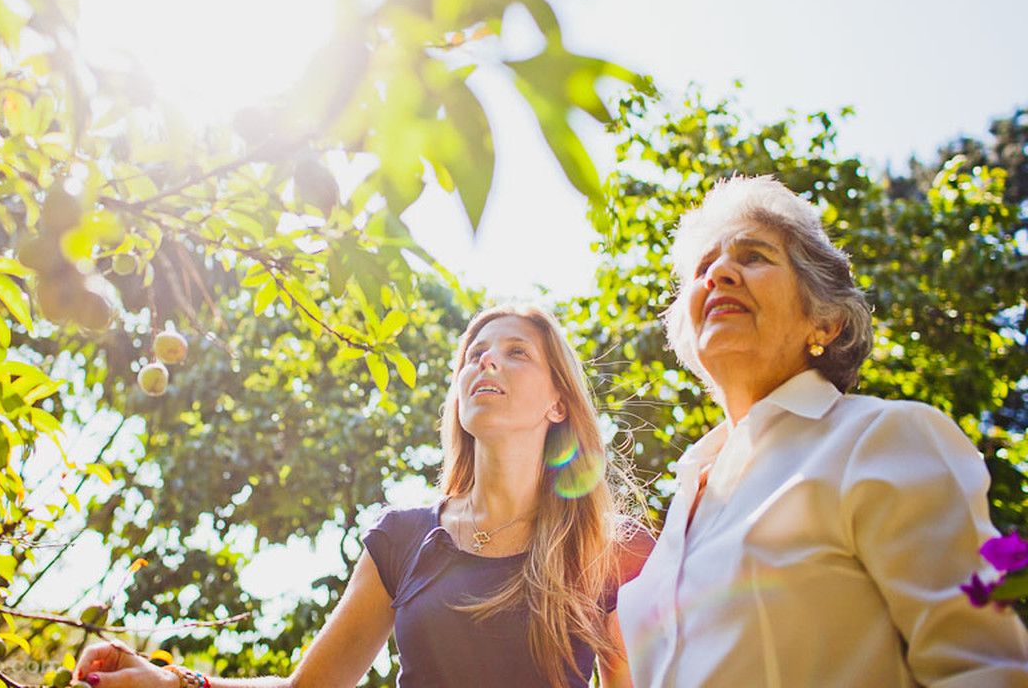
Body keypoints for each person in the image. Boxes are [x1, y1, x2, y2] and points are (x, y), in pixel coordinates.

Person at [76, 304, 653, 688]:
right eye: (475, 351)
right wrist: (173, 680)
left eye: (516, 351)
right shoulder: (401, 538)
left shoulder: (608, 550)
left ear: (559, 403)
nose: (486, 359)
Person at [617, 175, 1028, 686]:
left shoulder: (882, 438)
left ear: (825, 319)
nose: (719, 273)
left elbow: (983, 668)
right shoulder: (686, 490)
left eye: (754, 256)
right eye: (704, 266)